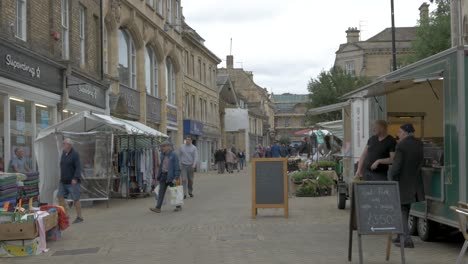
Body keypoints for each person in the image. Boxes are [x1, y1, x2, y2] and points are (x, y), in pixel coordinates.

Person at [389, 124, 425, 248]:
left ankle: (407, 239)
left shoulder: (401, 145)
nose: (398, 134)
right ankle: (400, 236)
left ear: (405, 132)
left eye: (400, 132)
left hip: (403, 183)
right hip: (415, 183)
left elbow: (396, 167)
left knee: (401, 210)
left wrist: (391, 178)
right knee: (406, 209)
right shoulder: (419, 144)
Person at [150, 140, 182, 213]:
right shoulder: (162, 155)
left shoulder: (174, 155)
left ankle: (178, 206)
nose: (162, 148)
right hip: (163, 176)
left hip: (171, 176)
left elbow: (177, 167)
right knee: (161, 192)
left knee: (174, 191)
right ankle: (158, 208)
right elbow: (161, 166)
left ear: (169, 147)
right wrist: (159, 176)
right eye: (162, 146)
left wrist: (176, 178)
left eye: (164, 146)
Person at [57, 138, 83, 224]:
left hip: (72, 181)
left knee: (76, 199)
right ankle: (65, 215)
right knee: (60, 197)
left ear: (69, 145)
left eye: (64, 144)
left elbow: (78, 167)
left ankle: (79, 217)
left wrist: (75, 178)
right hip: (63, 180)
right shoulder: (64, 153)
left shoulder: (75, 154)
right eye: (63, 143)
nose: (63, 145)